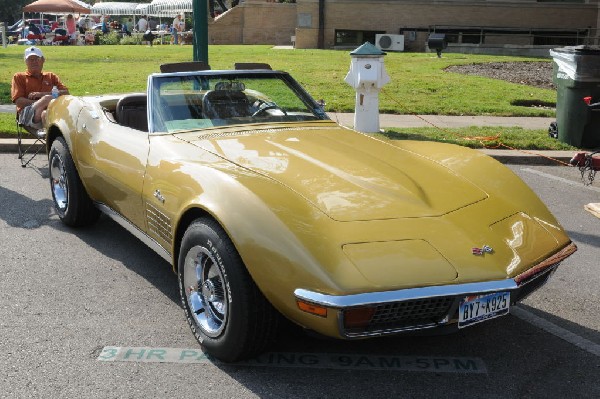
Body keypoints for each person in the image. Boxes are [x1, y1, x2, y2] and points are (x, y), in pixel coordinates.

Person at [11, 47, 69, 132]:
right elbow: (18, 101)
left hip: (49, 114)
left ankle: (49, 139)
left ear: (43, 60)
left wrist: (40, 94)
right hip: (26, 116)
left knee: (45, 113)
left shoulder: (51, 76)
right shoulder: (19, 77)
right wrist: (42, 102)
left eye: (37, 59)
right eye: (30, 59)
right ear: (25, 62)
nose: (34, 62)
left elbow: (66, 93)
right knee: (47, 98)